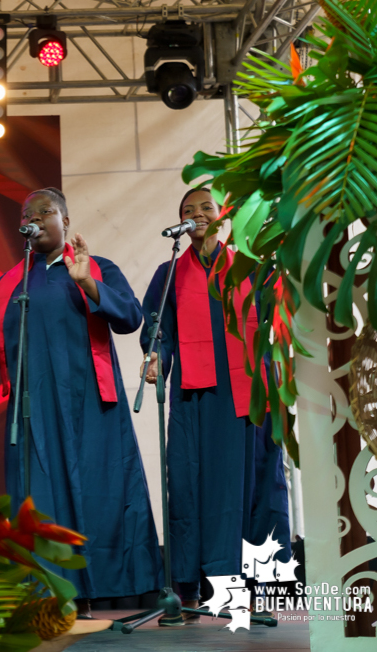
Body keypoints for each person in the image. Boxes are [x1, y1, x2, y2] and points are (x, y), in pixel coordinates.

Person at [0, 188, 162, 614]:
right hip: (33, 407)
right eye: (28, 213)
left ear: (65, 221)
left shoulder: (97, 266)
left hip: (92, 403)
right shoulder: (10, 283)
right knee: (41, 496)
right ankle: (52, 589)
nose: (36, 218)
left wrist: (88, 282)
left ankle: (116, 586)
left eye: (46, 211)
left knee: (104, 490)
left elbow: (130, 318)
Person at [140, 187, 290, 622]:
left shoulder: (252, 265)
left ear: (223, 215)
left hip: (248, 397)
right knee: (189, 487)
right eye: (188, 210)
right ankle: (190, 587)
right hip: (194, 400)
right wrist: (155, 358)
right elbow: (157, 329)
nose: (198, 214)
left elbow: (277, 322)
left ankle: (252, 587)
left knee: (252, 486)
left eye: (206, 207)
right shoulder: (168, 274)